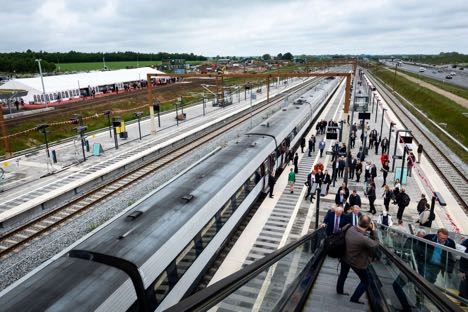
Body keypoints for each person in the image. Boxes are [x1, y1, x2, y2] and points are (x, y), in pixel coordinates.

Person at [336, 215, 379, 304]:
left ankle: (339, 291)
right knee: (366, 281)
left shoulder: (349, 227)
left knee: (343, 274)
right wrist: (374, 230)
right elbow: (375, 244)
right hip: (357, 263)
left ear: (358, 221)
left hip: (345, 257)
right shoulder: (364, 239)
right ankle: (354, 298)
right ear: (368, 225)